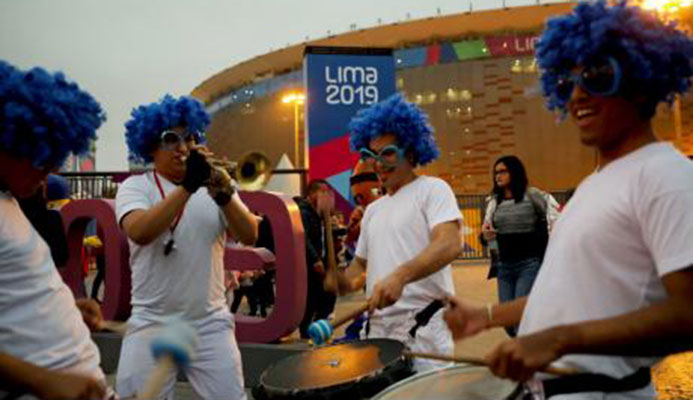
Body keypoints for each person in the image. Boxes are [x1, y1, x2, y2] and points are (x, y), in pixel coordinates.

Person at [444, 2, 693, 398]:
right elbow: (567, 295)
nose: (577, 94)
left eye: (596, 76)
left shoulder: (668, 177)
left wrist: (559, 339)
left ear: (643, 81)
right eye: (566, 82)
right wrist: (487, 316)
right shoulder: (593, 186)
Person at [115, 94, 258, 399]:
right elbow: (139, 231)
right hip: (149, 322)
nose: (183, 147)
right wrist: (187, 188)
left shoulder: (216, 185)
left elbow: (250, 234)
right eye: (171, 139)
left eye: (189, 138)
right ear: (150, 146)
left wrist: (224, 195)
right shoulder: (135, 187)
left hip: (210, 325)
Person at [0, 61, 111, 399]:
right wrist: (43, 381)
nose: (48, 171)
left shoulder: (10, 202)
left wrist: (66, 307)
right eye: (38, 156)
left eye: (53, 157)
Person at [335, 94, 463, 371]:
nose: (378, 163)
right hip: (378, 334)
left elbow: (450, 242)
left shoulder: (433, 190)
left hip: (425, 334)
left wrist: (400, 276)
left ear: (412, 151)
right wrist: (342, 282)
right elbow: (361, 268)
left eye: (388, 153)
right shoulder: (373, 210)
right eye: (371, 155)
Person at [481, 155, 559, 336]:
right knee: (507, 323)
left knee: (520, 318)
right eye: (496, 173)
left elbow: (553, 221)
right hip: (504, 268)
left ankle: (526, 357)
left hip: (529, 265)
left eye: (502, 171)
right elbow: (486, 235)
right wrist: (485, 236)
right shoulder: (494, 202)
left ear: (514, 172)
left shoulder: (534, 196)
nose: (497, 176)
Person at [294, 179, 338, 338]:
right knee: (311, 300)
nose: (326, 196)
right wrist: (314, 259)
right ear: (312, 193)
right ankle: (306, 334)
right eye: (323, 192)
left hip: (322, 263)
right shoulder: (304, 212)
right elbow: (303, 237)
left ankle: (317, 328)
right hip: (310, 266)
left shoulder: (318, 212)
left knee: (328, 297)